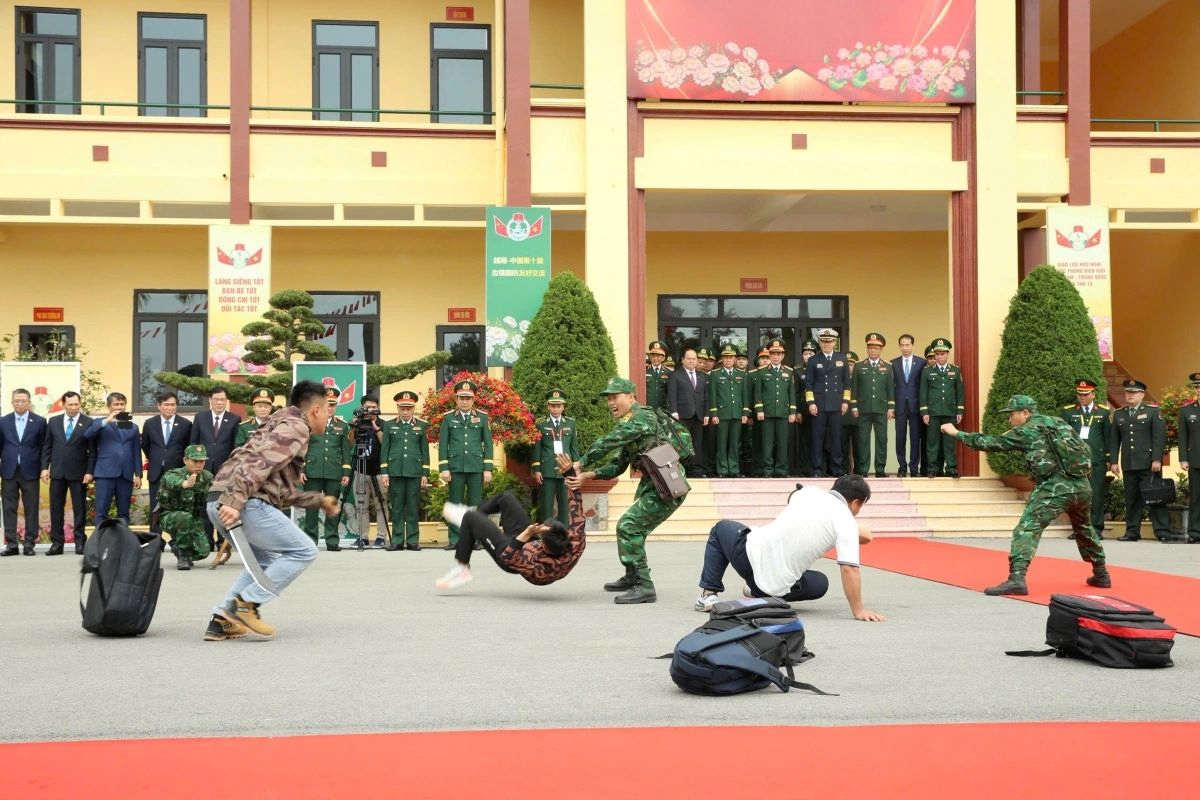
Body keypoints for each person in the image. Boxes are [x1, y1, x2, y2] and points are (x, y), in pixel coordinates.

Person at [204, 380, 341, 641]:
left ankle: (223, 619)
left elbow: (280, 491)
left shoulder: (275, 423)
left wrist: (318, 501)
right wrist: (235, 501)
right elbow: (259, 462)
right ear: (315, 410)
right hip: (241, 501)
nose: (328, 415)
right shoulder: (296, 426)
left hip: (217, 500)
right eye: (327, 409)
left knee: (263, 561)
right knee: (304, 550)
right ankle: (246, 604)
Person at [944, 395, 1109, 595]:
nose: (1009, 419)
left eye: (1011, 414)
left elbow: (990, 442)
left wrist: (955, 433)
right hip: (1082, 486)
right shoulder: (1056, 422)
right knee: (1084, 528)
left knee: (1027, 528)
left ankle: (1016, 579)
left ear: (1025, 413)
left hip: (1054, 488)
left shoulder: (1027, 430)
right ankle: (1101, 573)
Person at [695, 476, 885, 621]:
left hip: (747, 556)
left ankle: (708, 594)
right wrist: (859, 610)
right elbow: (849, 568)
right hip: (773, 589)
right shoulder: (846, 522)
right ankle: (755, 592)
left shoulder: (809, 492)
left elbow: (793, 498)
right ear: (856, 503)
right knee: (820, 584)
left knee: (720, 529)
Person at [569, 376, 688, 604]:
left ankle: (645, 586)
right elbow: (617, 465)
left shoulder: (642, 418)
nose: (610, 403)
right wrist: (589, 475)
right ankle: (633, 576)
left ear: (631, 396)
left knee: (629, 526)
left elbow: (610, 440)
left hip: (667, 485)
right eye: (608, 399)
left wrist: (581, 463)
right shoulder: (631, 425)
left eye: (615, 397)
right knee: (632, 528)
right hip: (655, 485)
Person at [435, 453, 585, 590]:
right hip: (527, 543)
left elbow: (507, 558)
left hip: (510, 555)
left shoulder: (538, 568)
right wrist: (569, 472)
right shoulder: (576, 542)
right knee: (505, 498)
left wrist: (527, 533)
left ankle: (463, 570)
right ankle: (475, 516)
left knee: (469, 518)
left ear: (544, 546)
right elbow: (576, 507)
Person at [1109, 379, 1170, 542]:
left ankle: (1162, 531)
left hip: (1149, 463)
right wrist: (1114, 461)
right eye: (1128, 392)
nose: (1130, 395)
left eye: (1134, 392)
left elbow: (1159, 438)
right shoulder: (1119, 413)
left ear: (1142, 394)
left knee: (1155, 497)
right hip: (1129, 463)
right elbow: (1114, 440)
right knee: (1132, 499)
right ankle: (1132, 532)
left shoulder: (1152, 411)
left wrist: (1157, 459)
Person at [438, 379, 494, 550]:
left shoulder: (482, 417)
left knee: (475, 505)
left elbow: (488, 444)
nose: (464, 401)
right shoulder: (448, 418)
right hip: (455, 468)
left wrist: (487, 469)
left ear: (473, 399)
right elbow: (443, 445)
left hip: (476, 467)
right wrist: (444, 468)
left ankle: (476, 539)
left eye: (467, 398)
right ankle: (455, 539)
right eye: (461, 398)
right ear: (456, 399)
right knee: (455, 505)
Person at [39, 391, 94, 555]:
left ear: (80, 404)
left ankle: (80, 543)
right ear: (63, 405)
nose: (73, 407)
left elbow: (93, 451)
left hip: (79, 473)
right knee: (56, 509)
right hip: (57, 472)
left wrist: (90, 472)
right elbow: (47, 446)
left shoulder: (88, 422)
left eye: (76, 404)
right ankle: (57, 544)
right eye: (70, 404)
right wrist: (44, 468)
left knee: (79, 509)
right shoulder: (53, 421)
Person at [301, 386, 352, 551]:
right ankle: (310, 541)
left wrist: (346, 472)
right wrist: (301, 469)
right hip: (312, 471)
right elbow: (301, 448)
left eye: (333, 405)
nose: (329, 408)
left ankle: (332, 540)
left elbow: (345, 451)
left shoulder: (342, 426)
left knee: (332, 506)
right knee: (312, 508)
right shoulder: (309, 423)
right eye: (326, 404)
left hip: (333, 472)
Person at [1061, 379, 1111, 539]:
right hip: (1076, 461)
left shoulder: (1103, 412)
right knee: (1077, 497)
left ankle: (1096, 529)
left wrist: (1109, 458)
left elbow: (1108, 437)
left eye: (1086, 394)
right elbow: (1064, 437)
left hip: (1097, 460)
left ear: (1093, 394)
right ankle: (1079, 530)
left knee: (1096, 495)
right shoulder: (1069, 412)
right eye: (1079, 394)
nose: (1082, 397)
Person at [380, 390, 429, 551]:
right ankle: (397, 540)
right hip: (395, 471)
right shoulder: (389, 425)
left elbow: (424, 451)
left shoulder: (421, 425)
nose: (406, 412)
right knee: (397, 507)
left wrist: (425, 473)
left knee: (413, 507)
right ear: (398, 408)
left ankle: (413, 540)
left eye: (409, 408)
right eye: (402, 408)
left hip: (414, 471)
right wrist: (385, 472)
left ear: (413, 409)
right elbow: (385, 450)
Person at [0, 388, 48, 556]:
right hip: (9, 471)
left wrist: (44, 467)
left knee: (31, 508)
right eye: (17, 400)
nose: (20, 403)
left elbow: (44, 447)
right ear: (12, 402)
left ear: (29, 402)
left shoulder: (40, 421)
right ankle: (11, 545)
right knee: (9, 508)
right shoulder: (3, 421)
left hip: (31, 471)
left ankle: (29, 544)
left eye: (23, 401)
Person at [142, 391, 191, 534]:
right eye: (166, 405)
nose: (170, 408)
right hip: (156, 472)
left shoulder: (185, 424)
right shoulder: (150, 423)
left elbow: (187, 447)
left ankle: (176, 540)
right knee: (155, 507)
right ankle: (156, 539)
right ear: (159, 406)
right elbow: (145, 445)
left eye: (173, 405)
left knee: (177, 507)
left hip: (177, 473)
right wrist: (158, 458)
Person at [159, 444, 213, 570]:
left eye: (202, 461)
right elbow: (173, 482)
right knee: (185, 517)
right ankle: (183, 555)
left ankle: (177, 547)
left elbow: (215, 490)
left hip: (192, 518)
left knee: (203, 551)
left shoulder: (206, 476)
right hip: (169, 516)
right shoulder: (173, 474)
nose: (199, 465)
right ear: (185, 460)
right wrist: (185, 484)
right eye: (195, 461)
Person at [804, 329, 850, 477]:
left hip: (837, 404)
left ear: (834, 342)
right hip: (819, 405)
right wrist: (811, 402)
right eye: (823, 341)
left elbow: (846, 383)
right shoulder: (813, 360)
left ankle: (836, 468)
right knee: (817, 438)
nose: (826, 344)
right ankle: (817, 469)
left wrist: (845, 401)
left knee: (836, 438)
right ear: (820, 342)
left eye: (829, 341)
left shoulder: (842, 358)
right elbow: (808, 384)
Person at [346, 393, 387, 548]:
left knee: (381, 505)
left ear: (378, 408)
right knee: (361, 505)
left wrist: (376, 428)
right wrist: (353, 427)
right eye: (367, 407)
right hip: (361, 470)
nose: (370, 410)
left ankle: (381, 537)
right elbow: (350, 444)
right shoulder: (359, 423)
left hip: (379, 471)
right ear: (362, 408)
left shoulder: (384, 424)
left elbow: (386, 444)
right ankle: (362, 537)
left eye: (373, 407)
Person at [533, 388, 579, 524]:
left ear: (563, 407)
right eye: (553, 406)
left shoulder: (570, 423)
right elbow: (536, 448)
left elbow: (574, 448)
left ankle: (563, 533)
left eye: (559, 406)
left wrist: (576, 469)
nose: (556, 409)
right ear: (548, 406)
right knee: (546, 505)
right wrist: (537, 469)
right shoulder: (541, 424)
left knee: (564, 505)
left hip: (566, 470)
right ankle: (546, 533)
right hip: (547, 470)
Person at [920, 337, 964, 478]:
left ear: (947, 354)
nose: (939, 357)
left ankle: (951, 468)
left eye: (942, 354)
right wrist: (924, 412)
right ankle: (932, 468)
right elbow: (923, 392)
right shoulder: (927, 371)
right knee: (932, 442)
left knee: (949, 441)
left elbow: (959, 392)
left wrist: (960, 411)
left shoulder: (955, 370)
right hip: (933, 412)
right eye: (937, 354)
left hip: (950, 411)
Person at [854, 333, 895, 478]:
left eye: (876, 348)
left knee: (882, 440)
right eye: (870, 347)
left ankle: (880, 469)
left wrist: (891, 408)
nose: (873, 350)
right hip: (863, 408)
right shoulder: (859, 366)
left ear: (881, 349)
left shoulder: (888, 367)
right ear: (867, 349)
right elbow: (854, 388)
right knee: (863, 440)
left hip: (881, 409)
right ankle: (863, 470)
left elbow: (890, 389)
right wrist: (854, 406)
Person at [755, 338, 796, 478]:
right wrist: (759, 410)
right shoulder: (762, 371)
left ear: (783, 356)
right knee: (767, 444)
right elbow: (758, 393)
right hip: (767, 413)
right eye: (773, 354)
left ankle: (781, 470)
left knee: (783, 443)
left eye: (779, 354)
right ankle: (767, 470)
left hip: (783, 413)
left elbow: (791, 393)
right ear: (770, 355)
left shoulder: (789, 372)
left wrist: (792, 412)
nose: (776, 357)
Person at [707, 345, 749, 478]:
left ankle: (734, 469)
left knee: (735, 443)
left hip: (737, 413)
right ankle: (722, 469)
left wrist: (745, 413)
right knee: (722, 443)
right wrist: (714, 413)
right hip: (722, 414)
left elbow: (745, 395)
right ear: (722, 359)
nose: (728, 360)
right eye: (726, 357)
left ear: (735, 359)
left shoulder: (742, 374)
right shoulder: (715, 374)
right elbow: (712, 395)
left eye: (731, 357)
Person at [667, 348, 708, 478]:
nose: (691, 361)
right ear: (683, 360)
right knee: (682, 443)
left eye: (694, 359)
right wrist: (674, 412)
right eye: (689, 358)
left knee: (697, 443)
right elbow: (671, 395)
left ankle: (696, 470)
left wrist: (707, 414)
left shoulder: (702, 376)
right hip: (682, 415)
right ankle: (682, 469)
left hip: (698, 415)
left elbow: (706, 396)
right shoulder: (675, 375)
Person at [891, 333, 925, 477]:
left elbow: (923, 386)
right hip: (899, 406)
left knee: (915, 438)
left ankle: (914, 468)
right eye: (902, 345)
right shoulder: (893, 363)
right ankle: (902, 467)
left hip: (915, 406)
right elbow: (891, 387)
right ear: (899, 346)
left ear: (912, 346)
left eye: (907, 345)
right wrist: (891, 407)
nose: (904, 348)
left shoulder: (921, 362)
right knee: (900, 438)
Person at [1177, 372, 1200, 544]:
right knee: (1196, 498)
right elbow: (1183, 437)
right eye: (1197, 387)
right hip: (1196, 460)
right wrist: (1183, 458)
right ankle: (1195, 532)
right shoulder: (1186, 411)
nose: (1199, 390)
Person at [790, 339, 817, 477]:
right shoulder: (797, 370)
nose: (808, 356)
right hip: (804, 411)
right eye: (806, 354)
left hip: (819, 411)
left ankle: (817, 468)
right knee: (804, 441)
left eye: (811, 354)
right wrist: (797, 411)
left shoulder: (821, 368)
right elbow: (795, 392)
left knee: (818, 440)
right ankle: (805, 469)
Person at [644, 341, 671, 410]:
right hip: (647, 408)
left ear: (663, 358)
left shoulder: (668, 372)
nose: (655, 358)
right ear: (650, 357)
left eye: (658, 356)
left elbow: (670, 393)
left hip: (662, 409)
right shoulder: (644, 370)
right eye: (653, 356)